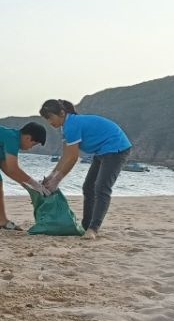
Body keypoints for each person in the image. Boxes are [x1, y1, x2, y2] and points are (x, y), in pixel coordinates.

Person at [39, 99, 132, 239]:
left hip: (116, 147)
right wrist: (50, 177)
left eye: (51, 117)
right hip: (101, 151)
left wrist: (56, 181)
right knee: (88, 187)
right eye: (47, 119)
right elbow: (65, 156)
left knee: (101, 188)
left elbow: (73, 158)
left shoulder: (72, 125)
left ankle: (93, 229)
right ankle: (86, 226)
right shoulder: (66, 127)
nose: (50, 122)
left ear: (62, 113)